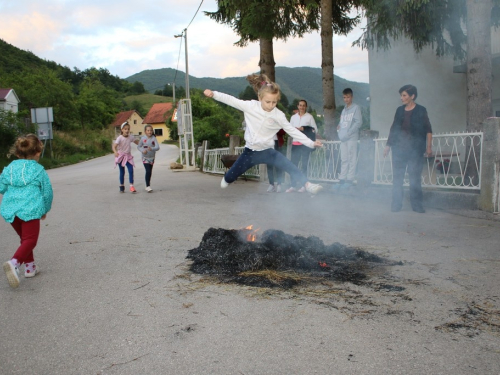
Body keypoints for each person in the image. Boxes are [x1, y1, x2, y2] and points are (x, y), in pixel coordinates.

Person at [203, 73, 323, 194]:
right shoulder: (250, 106)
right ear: (260, 98)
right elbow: (231, 100)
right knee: (227, 180)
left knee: (288, 165)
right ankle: (228, 178)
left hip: (267, 151)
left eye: (274, 102)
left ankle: (308, 184)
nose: (271, 105)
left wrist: (311, 143)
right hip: (250, 152)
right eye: (268, 102)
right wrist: (214, 94)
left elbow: (292, 131)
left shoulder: (278, 115)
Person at [0, 134, 53, 288]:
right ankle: (15, 262)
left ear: (18, 153)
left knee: (25, 239)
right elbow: (47, 193)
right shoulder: (39, 170)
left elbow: (1, 187)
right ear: (38, 152)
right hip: (30, 210)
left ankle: (30, 268)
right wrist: (44, 209)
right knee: (31, 240)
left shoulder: (9, 168)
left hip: (11, 211)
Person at [384, 84, 433, 213]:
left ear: (412, 96)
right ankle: (396, 205)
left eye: (404, 95)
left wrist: (428, 147)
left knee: (415, 178)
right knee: (398, 177)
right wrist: (388, 146)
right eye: (401, 95)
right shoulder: (399, 110)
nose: (401, 98)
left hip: (415, 150)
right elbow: (394, 128)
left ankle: (417, 205)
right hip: (399, 149)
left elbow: (428, 129)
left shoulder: (421, 110)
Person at [334, 88, 362, 191]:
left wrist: (349, 133)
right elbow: (342, 123)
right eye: (344, 97)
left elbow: (358, 122)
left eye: (348, 97)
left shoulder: (356, 108)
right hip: (343, 138)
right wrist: (339, 128)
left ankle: (349, 180)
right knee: (344, 159)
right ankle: (342, 179)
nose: (346, 99)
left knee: (351, 158)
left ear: (352, 97)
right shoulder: (344, 110)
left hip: (351, 138)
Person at [288, 99, 317, 193]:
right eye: (300, 105)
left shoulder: (309, 117)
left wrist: (303, 129)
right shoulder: (293, 117)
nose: (302, 107)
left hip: (305, 145)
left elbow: (314, 130)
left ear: (306, 107)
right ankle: (293, 185)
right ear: (298, 106)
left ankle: (304, 185)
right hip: (295, 144)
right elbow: (289, 129)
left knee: (304, 166)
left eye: (304, 105)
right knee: (293, 165)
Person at [113, 121, 139, 193]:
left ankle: (131, 186)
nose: (127, 130)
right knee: (122, 172)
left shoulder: (130, 137)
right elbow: (114, 146)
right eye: (125, 129)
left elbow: (137, 142)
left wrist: (143, 144)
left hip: (128, 156)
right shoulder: (120, 138)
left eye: (128, 129)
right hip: (121, 156)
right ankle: (121, 186)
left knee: (131, 170)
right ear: (122, 130)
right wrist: (115, 152)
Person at [137, 124, 160, 192]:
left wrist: (152, 148)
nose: (149, 132)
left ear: (152, 131)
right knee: (148, 171)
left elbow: (157, 147)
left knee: (150, 172)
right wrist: (142, 150)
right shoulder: (143, 138)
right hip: (145, 157)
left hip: (152, 157)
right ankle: (148, 186)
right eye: (148, 130)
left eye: (151, 130)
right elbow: (139, 146)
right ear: (145, 131)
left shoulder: (154, 138)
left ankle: (147, 184)